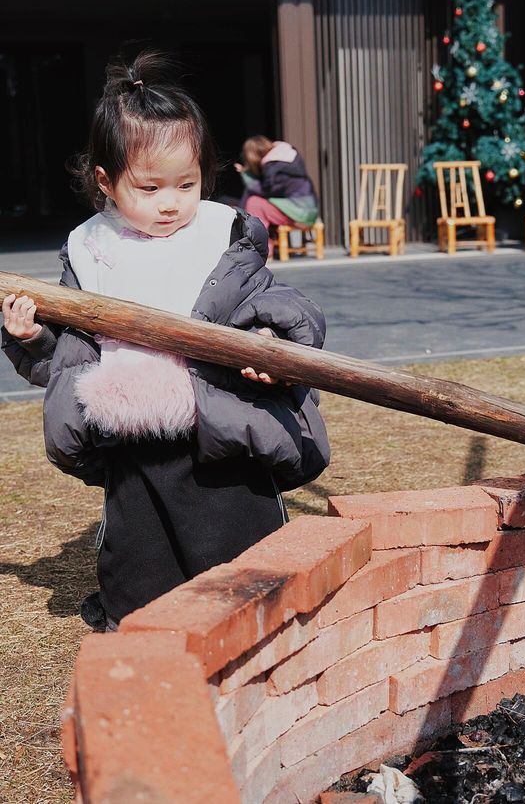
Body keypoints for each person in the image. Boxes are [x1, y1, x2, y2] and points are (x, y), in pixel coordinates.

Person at [1, 51, 330, 632]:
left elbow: (277, 304)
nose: (171, 202)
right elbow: (69, 354)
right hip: (128, 430)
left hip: (221, 421)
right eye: (148, 187)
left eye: (186, 182)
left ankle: (258, 625)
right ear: (106, 181)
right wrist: (31, 338)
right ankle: (144, 618)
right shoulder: (91, 249)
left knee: (239, 540)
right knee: (140, 553)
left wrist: (269, 346)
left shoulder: (221, 236)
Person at [235, 135, 318, 258]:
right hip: (305, 211)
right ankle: (263, 246)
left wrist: (246, 174)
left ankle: (260, 249)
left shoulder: (274, 168)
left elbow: (265, 191)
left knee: (255, 203)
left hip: (300, 214)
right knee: (261, 203)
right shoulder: (287, 158)